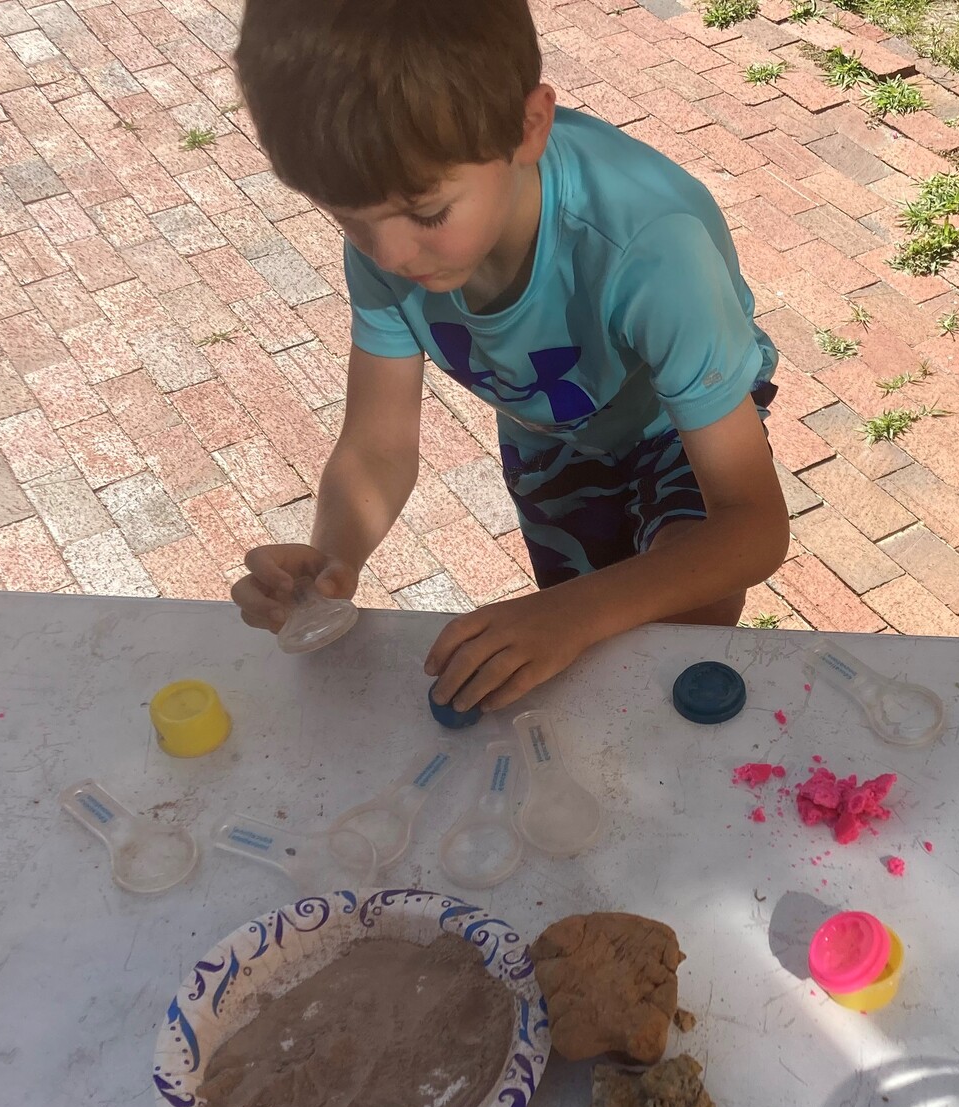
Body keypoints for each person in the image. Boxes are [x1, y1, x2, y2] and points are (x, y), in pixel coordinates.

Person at [227, 0, 787, 711]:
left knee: (665, 646)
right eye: (347, 218)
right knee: (580, 635)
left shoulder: (651, 248)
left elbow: (748, 527)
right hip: (553, 426)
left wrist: (579, 615)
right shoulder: (392, 225)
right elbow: (376, 448)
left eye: (426, 214)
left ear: (529, 127)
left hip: (675, 428)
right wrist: (332, 561)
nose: (390, 255)